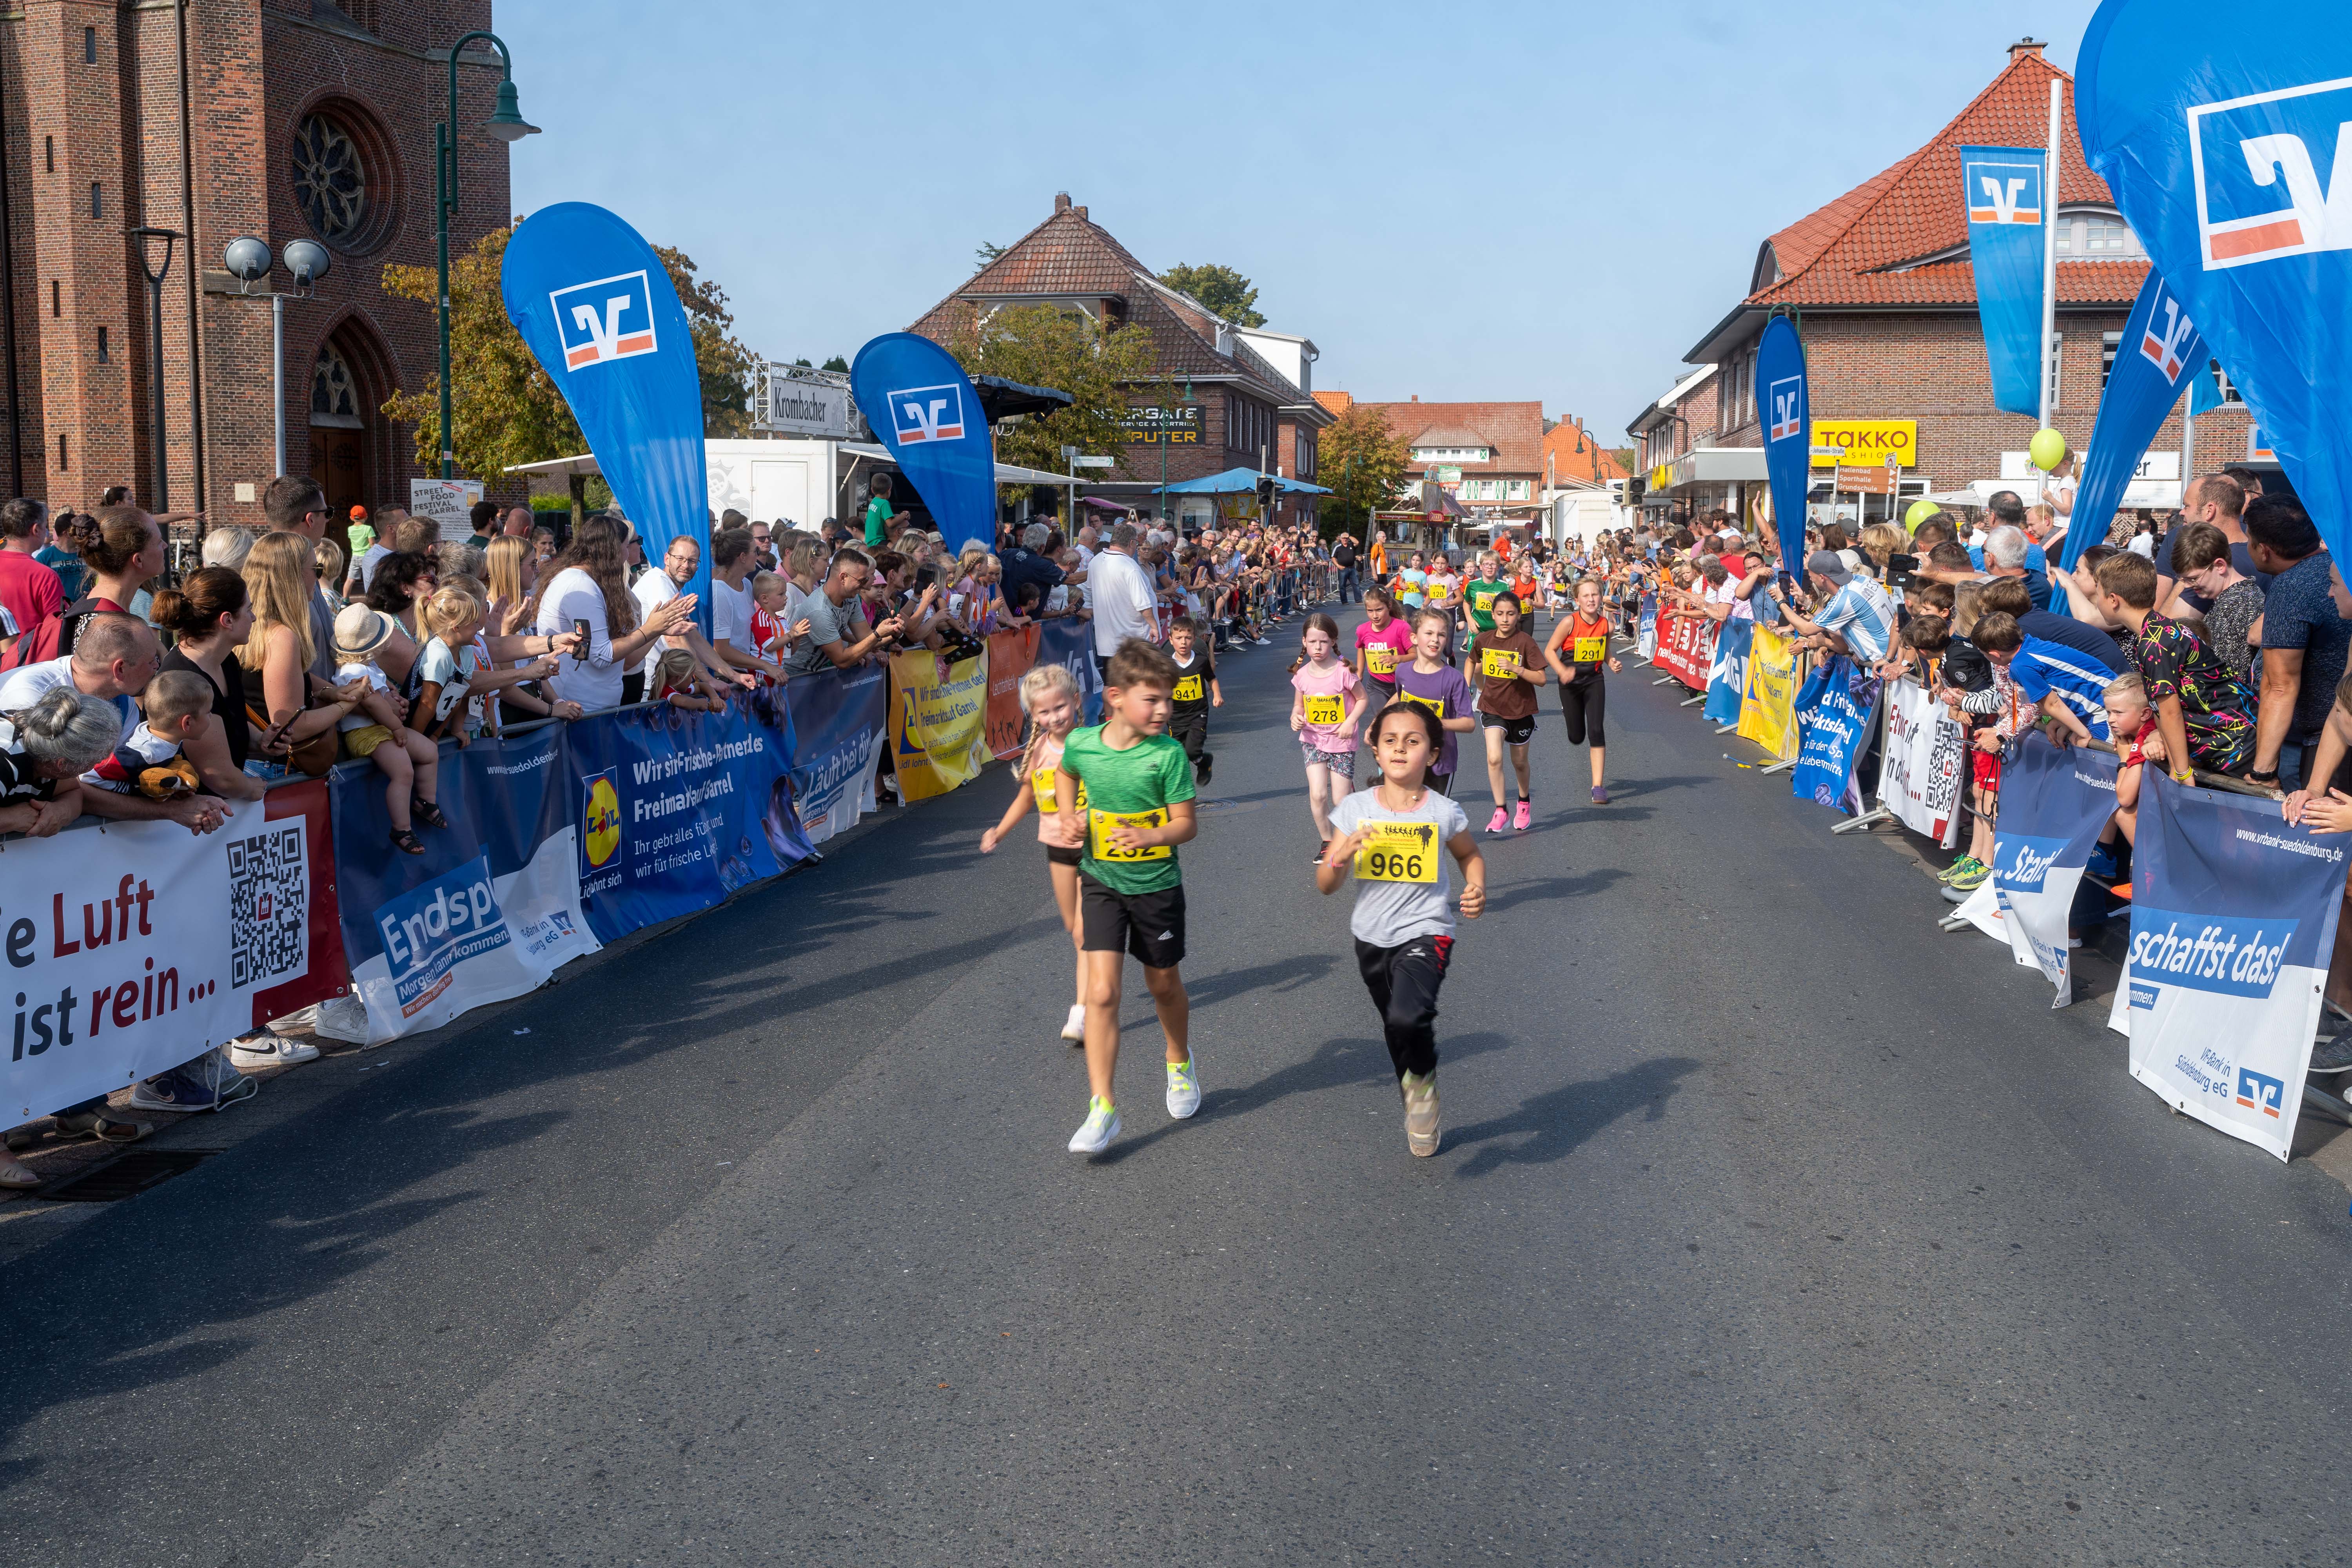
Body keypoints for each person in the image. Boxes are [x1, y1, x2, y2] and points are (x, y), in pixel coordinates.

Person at [1317, 701, 1485, 1158]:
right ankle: (1414, 1090)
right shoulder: (1354, 809)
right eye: (1390, 740)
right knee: (1395, 1024)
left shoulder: (1444, 811)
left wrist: (1476, 886)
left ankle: (1423, 1086)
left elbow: (1470, 855)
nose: (1400, 749)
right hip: (1371, 938)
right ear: (1375, 750)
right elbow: (1326, 884)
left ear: (1433, 754)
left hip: (1428, 931)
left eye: (1413, 742)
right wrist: (1341, 854)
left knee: (1408, 1016)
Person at [1053, 637, 1201, 1156]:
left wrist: (1150, 835)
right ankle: (1103, 1107)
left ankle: (1178, 1062)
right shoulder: (1083, 744)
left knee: (1163, 985)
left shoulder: (1168, 755)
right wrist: (1069, 816)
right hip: (1101, 882)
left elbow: (1187, 825)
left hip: (1156, 886)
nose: (1164, 710)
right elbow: (1065, 773)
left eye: (1168, 700)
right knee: (1101, 994)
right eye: (1153, 699)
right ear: (1115, 697)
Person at [980, 662, 1091, 1045]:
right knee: (1073, 929)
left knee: (1084, 933)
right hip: (1057, 849)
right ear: (1033, 714)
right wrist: (999, 831)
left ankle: (1082, 1011)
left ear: (1076, 701)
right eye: (1044, 711)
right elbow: (1026, 798)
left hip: (1095, 849)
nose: (1054, 717)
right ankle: (1099, 977)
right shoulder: (1040, 750)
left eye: (1060, 707)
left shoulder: (1093, 743)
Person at [2089, 550, 2255, 776]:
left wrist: (2181, 772)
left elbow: (2170, 713)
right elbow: (2159, 710)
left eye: (2098, 593)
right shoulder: (2157, 630)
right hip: (2228, 743)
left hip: (2238, 745)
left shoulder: (2155, 643)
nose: (2096, 602)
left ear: (2113, 599)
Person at [526, 516, 696, 712]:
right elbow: (602, 656)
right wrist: (650, 628)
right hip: (580, 710)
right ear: (611, 549)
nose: (627, 554)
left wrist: (658, 629)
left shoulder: (587, 582)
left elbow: (624, 661)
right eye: (625, 546)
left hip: (593, 709)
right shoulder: (580, 585)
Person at [2246, 496, 2352, 794]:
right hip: (2334, 731)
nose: (2330, 592)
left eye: (2249, 541)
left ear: (2264, 550)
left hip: (2324, 745)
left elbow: (2280, 686)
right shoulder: (2337, 565)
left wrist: (2263, 772)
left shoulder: (2292, 586)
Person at [330, 604, 446, 855]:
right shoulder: (355, 672)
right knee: (403, 771)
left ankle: (425, 801)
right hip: (366, 733)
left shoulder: (368, 666)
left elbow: (384, 695)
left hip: (383, 729)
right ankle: (401, 829)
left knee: (429, 751)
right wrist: (397, 727)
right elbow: (374, 704)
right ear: (375, 646)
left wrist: (395, 697)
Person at [1289, 612, 1365, 860]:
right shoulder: (1301, 675)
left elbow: (1362, 699)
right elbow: (1298, 705)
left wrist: (1350, 722)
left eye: (1323, 642)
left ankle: (1349, 831)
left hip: (1341, 742)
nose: (1318, 647)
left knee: (1340, 798)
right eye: (1312, 642)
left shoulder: (1343, 672)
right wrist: (1296, 717)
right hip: (1313, 740)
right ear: (1304, 642)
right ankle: (1328, 841)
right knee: (1318, 794)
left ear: (1333, 641)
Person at [1543, 576, 1623, 804]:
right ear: (1577, 600)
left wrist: (1611, 662)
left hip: (1594, 680)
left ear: (1601, 597)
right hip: (1570, 684)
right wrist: (1562, 671)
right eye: (1586, 596)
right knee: (1576, 737)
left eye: (1595, 594)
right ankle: (1569, 711)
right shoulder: (1569, 622)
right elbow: (1550, 650)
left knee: (1596, 730)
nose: (1591, 599)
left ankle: (1598, 786)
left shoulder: (1607, 625)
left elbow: (1604, 650)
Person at [1473, 590, 1546, 833]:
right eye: (1500, 614)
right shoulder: (1484, 640)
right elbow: (1473, 661)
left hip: (1520, 709)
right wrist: (1473, 687)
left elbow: (1542, 679)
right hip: (1493, 707)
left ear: (1518, 615)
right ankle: (1500, 809)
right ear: (1493, 615)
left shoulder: (1526, 642)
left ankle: (1524, 803)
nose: (1505, 619)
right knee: (1494, 758)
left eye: (1511, 614)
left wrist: (1517, 669)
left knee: (1519, 762)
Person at [781, 547, 902, 675]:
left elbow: (866, 637)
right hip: (794, 677)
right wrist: (878, 634)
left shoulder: (852, 598)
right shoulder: (819, 611)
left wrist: (893, 633)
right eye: (862, 580)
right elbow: (841, 660)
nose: (864, 586)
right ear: (843, 578)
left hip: (817, 676)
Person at [2167, 521, 2261, 683]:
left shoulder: (2234, 608)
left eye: (2193, 578)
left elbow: (2225, 680)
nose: (2188, 586)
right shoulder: (2243, 595)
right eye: (2184, 580)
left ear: (2220, 566)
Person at [1395, 607, 1475, 796]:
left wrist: (1435, 723)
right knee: (1405, 807)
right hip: (1407, 756)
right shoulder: (1402, 672)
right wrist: (1377, 723)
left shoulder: (1454, 679)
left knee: (1433, 814)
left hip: (1440, 761)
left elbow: (1469, 723)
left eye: (1441, 635)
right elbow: (1399, 699)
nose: (1435, 639)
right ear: (1414, 638)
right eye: (1429, 633)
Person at [1085, 521, 1160, 680]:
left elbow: (1092, 589)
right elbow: (1142, 604)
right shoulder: (1130, 566)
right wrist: (1154, 626)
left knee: (1111, 685)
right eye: (1137, 544)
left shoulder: (1095, 561)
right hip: (1133, 640)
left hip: (1108, 642)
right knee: (1136, 684)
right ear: (1132, 543)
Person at [1164, 614, 1218, 786]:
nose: (1183, 642)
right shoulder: (1167, 664)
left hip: (1198, 713)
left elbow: (1212, 679)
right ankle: (1184, 787)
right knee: (1178, 753)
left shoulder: (1201, 661)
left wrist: (1217, 695)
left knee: (1192, 749)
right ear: (1171, 640)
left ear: (1194, 640)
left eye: (1188, 638)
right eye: (1179, 638)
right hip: (1175, 716)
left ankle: (1202, 762)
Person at [0, 497, 61, 648]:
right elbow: (57, 631)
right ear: (36, 530)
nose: (46, 531)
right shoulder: (45, 576)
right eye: (45, 526)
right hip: (29, 657)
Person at [1353, 586, 1411, 720]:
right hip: (1377, 686)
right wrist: (1360, 672)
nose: (1375, 616)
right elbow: (1361, 647)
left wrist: (1397, 659)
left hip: (1403, 684)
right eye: (1370, 611)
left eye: (1379, 610)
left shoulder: (1402, 628)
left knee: (1401, 722)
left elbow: (1416, 655)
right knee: (1383, 719)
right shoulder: (1363, 630)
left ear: (1389, 606)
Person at [863, 474, 897, 549]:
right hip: (878, 540)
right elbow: (890, 523)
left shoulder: (874, 502)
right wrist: (903, 516)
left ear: (872, 490)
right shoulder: (884, 503)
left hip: (869, 540)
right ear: (889, 490)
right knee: (896, 550)